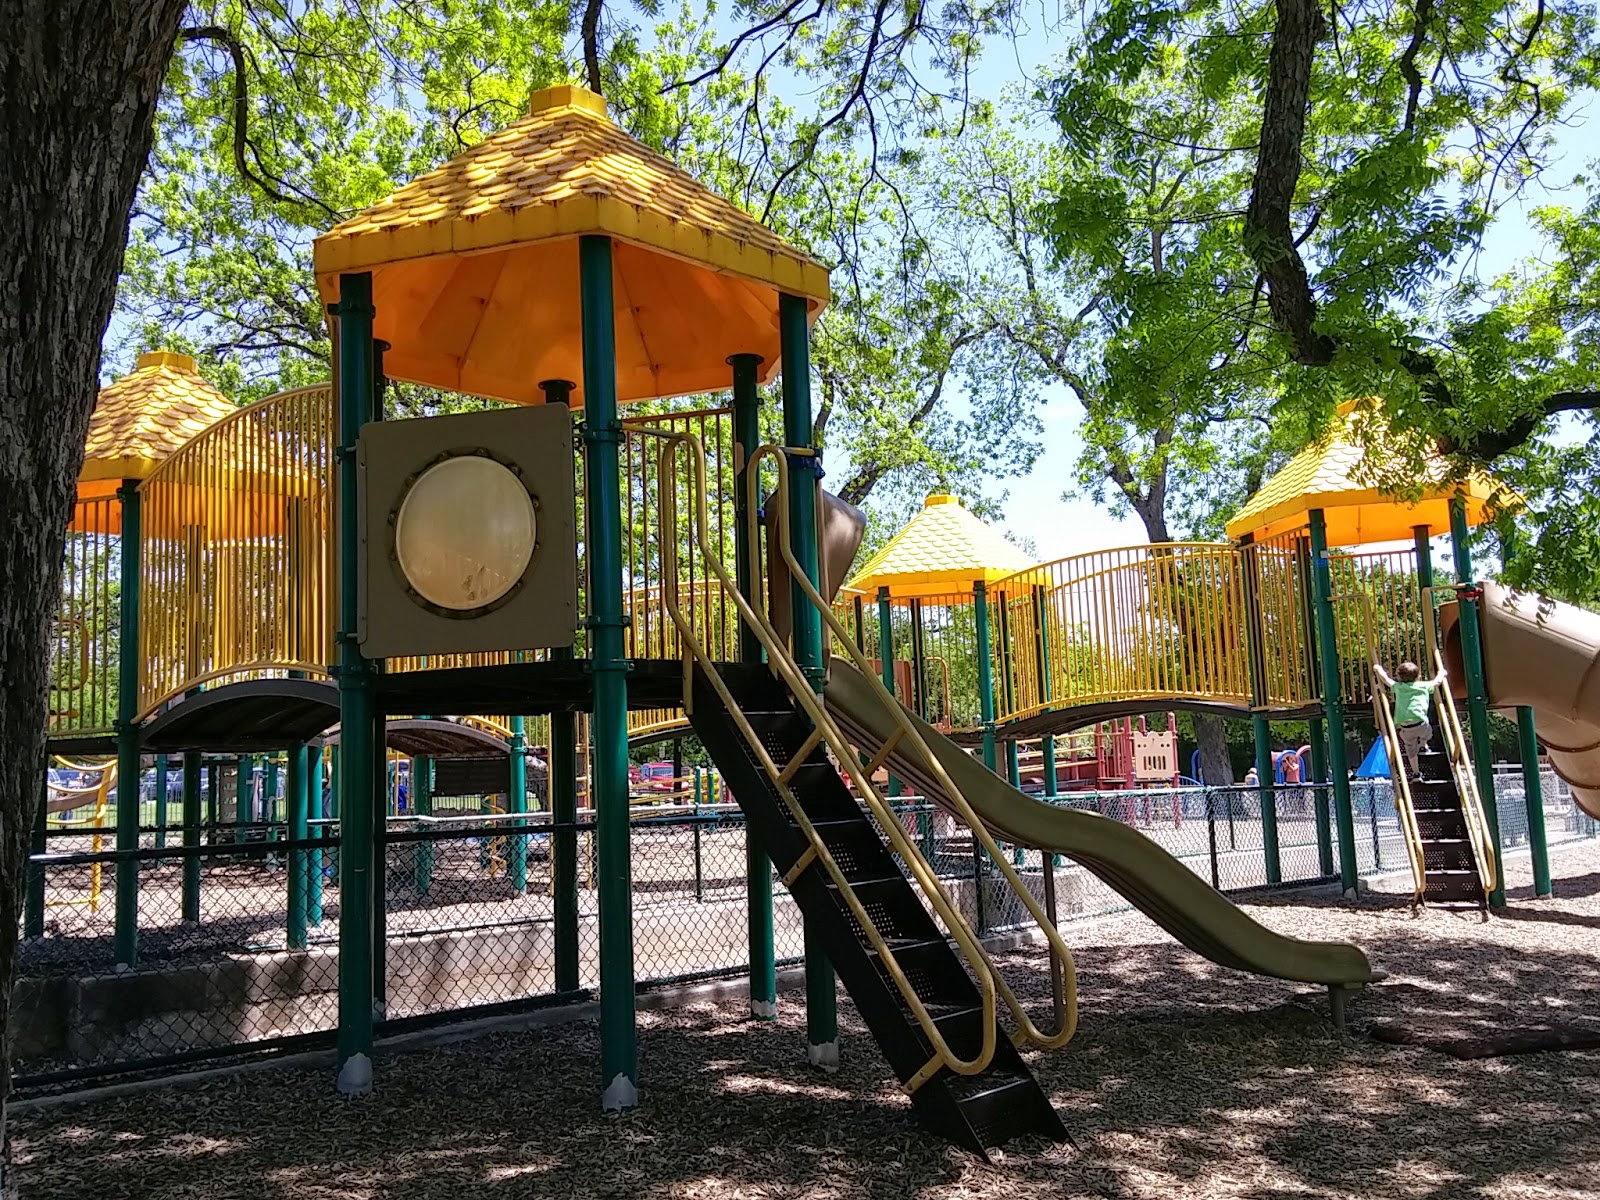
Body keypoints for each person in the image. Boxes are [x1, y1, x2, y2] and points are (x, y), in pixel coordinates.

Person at [1373, 659, 1447, 779]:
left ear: (1399, 677)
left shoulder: (1398, 687)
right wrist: (1442, 673)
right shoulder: (1423, 685)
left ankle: (1416, 773)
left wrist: (1378, 669)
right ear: (1418, 676)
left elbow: (1386, 680)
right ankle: (1423, 745)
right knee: (1428, 734)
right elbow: (1437, 682)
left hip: (1405, 727)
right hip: (1420, 723)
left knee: (1411, 752)